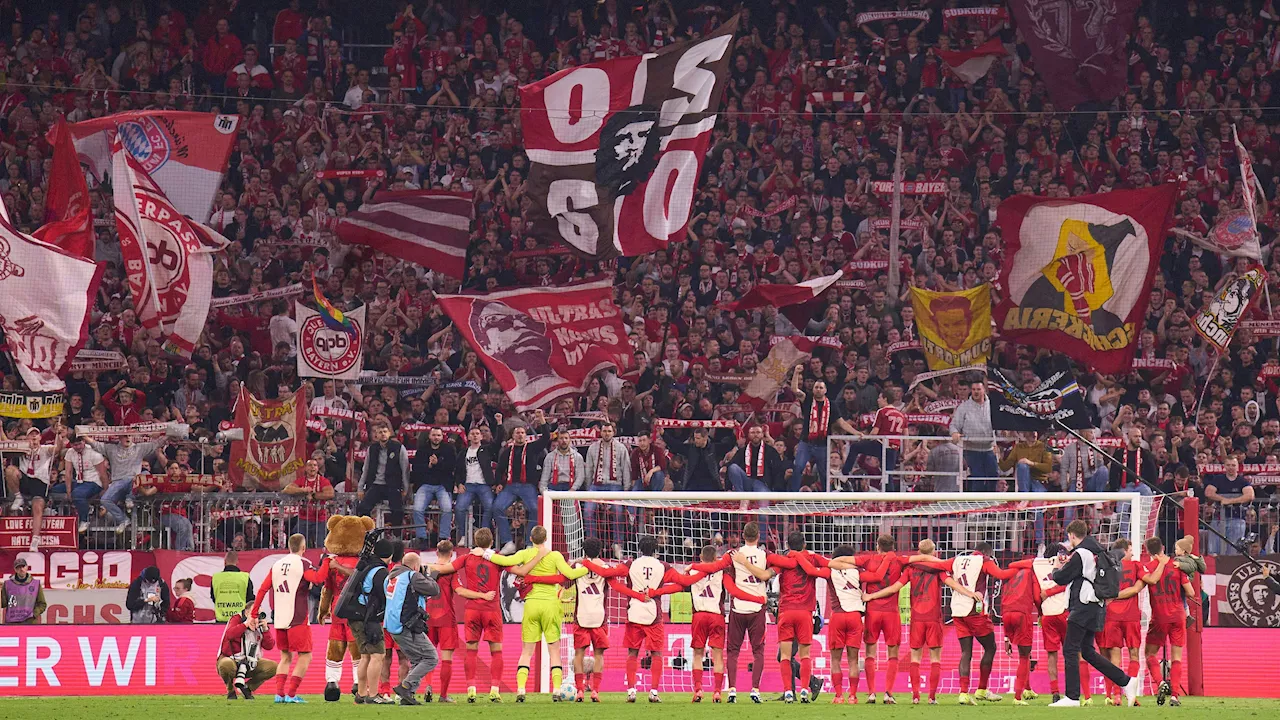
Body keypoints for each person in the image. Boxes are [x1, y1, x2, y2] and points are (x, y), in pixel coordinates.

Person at [851, 539, 968, 705]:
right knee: (934, 659)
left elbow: (894, 588)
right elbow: (953, 584)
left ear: (918, 552)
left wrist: (871, 596)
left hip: (911, 618)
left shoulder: (909, 568)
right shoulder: (938, 569)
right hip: (931, 618)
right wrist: (969, 593)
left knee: (910, 658)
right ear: (934, 552)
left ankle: (912, 696)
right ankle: (930, 697)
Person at [484, 525, 590, 701]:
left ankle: (520, 690)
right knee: (554, 650)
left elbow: (505, 562)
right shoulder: (555, 555)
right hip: (550, 605)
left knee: (526, 651)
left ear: (531, 539)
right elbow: (570, 574)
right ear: (546, 538)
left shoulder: (526, 554)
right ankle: (556, 691)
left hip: (532, 605)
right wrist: (587, 568)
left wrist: (487, 554)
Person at [911, 542, 1017, 704]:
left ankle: (963, 693)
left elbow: (934, 567)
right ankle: (981, 689)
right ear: (986, 553)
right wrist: (1022, 568)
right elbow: (1002, 575)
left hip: (958, 612)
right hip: (974, 611)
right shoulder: (985, 561)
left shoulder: (957, 560)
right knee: (990, 647)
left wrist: (910, 560)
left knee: (966, 652)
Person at [1049, 520, 1140, 707]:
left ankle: (1072, 697)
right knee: (1088, 651)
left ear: (1072, 535)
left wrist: (1057, 566)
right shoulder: (1097, 550)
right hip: (1096, 605)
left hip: (1083, 605)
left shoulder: (1081, 553)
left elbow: (1061, 578)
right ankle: (1127, 681)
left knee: (1070, 649)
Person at [432, 527, 508, 702]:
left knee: (471, 651)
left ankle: (471, 689)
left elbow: (444, 569)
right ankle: (495, 690)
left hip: (472, 610)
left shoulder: (466, 558)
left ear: (475, 541)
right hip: (491, 609)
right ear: (491, 542)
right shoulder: (498, 559)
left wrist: (416, 565)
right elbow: (517, 569)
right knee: (496, 652)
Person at [250, 533, 324, 703]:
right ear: (303, 548)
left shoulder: (277, 565)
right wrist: (326, 563)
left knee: (285, 657)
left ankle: (279, 694)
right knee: (305, 656)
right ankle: (291, 694)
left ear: (289, 546)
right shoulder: (303, 563)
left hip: (280, 618)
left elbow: (262, 589)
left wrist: (254, 613)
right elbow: (318, 579)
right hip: (297, 618)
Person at [1140, 536, 1198, 707]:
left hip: (1159, 617)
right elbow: (1191, 592)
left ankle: (1160, 683)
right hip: (1178, 616)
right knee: (1176, 657)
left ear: (1148, 551)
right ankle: (1174, 696)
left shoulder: (1148, 568)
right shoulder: (1177, 566)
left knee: (1150, 654)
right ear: (1163, 547)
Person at [383, 552, 442, 705]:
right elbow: (434, 590)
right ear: (416, 566)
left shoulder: (390, 577)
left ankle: (407, 696)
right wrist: (428, 576)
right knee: (431, 657)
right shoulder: (412, 576)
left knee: (417, 659)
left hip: (391, 625)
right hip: (407, 625)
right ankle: (405, 686)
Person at [1097, 539, 1148, 706]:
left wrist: (1112, 596)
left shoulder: (1106, 566)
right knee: (1134, 654)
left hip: (1111, 615)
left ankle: (1116, 695)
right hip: (1131, 616)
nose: (1132, 553)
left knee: (1114, 657)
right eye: (1131, 549)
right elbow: (1136, 588)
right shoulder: (1136, 565)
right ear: (1124, 551)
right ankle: (1131, 695)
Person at [723, 521, 770, 704]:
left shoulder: (733, 554)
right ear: (758, 536)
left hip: (738, 608)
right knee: (758, 651)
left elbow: (718, 567)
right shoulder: (765, 555)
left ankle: (732, 690)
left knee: (733, 651)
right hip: (757, 610)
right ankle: (755, 690)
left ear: (743, 536)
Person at [493, 422, 550, 551]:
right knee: (496, 507)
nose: (520, 435)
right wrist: (499, 484)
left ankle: (530, 543)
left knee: (535, 509)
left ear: (526, 436)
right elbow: (499, 469)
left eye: (522, 433)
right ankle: (508, 542)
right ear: (513, 436)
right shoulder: (506, 451)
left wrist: (542, 421)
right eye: (517, 433)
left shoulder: (532, 448)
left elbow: (546, 437)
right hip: (510, 486)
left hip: (527, 486)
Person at [5, 427, 63, 552]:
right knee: (10, 470)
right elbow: (5, 444)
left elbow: (58, 448)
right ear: (27, 438)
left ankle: (35, 541)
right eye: (31, 435)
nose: (34, 437)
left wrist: (58, 435)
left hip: (40, 482)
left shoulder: (45, 450)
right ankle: (18, 496)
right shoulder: (21, 449)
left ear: (40, 437)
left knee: (37, 508)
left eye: (36, 435)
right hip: (25, 479)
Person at [423, 540, 461, 703]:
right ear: (451, 554)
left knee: (427, 657)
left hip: (428, 617)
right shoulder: (451, 571)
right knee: (447, 658)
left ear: (437, 553)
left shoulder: (426, 569)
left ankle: (428, 686)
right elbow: (459, 590)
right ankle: (443, 695)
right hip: (446, 618)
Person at [584, 421, 631, 550]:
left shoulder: (621, 448)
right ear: (600, 432)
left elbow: (626, 469)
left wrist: (626, 491)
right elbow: (588, 469)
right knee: (588, 511)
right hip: (596, 486)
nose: (606, 433)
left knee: (618, 510)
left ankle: (618, 544)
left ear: (613, 432)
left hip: (615, 485)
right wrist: (589, 489)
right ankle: (591, 544)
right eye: (604, 431)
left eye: (609, 431)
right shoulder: (592, 448)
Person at [218, 603, 279, 700]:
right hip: (232, 660)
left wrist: (265, 629)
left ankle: (247, 688)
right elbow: (229, 634)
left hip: (250, 662)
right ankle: (230, 690)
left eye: (259, 614)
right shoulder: (236, 619)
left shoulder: (258, 625)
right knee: (226, 664)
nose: (257, 618)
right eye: (254, 614)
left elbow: (269, 646)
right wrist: (246, 624)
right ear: (246, 613)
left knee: (274, 667)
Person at [357, 423, 410, 527]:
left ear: (389, 433)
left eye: (385, 431)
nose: (383, 434)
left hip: (393, 485)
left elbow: (405, 469)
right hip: (376, 484)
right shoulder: (372, 449)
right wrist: (360, 487)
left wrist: (405, 488)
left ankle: (396, 536)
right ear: (376, 435)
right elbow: (366, 468)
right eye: (380, 432)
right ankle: (368, 532)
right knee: (362, 508)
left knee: (397, 510)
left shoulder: (398, 447)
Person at [56, 432, 110, 533]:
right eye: (74, 445)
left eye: (79, 444)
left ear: (84, 441)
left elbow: (103, 474)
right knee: (55, 490)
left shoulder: (94, 453)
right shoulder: (70, 452)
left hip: (93, 482)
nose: (77, 447)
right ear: (71, 444)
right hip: (79, 481)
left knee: (77, 494)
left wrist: (106, 490)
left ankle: (84, 519)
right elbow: (68, 472)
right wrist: (68, 490)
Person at [411, 427, 457, 546]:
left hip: (443, 485)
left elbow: (451, 467)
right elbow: (416, 468)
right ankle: (422, 538)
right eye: (434, 435)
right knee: (417, 509)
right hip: (425, 485)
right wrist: (429, 466)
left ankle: (443, 538)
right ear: (429, 436)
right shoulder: (422, 450)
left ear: (442, 437)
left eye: (438, 435)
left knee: (447, 509)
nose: (436, 437)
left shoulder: (448, 449)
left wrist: (438, 464)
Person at [454, 426, 499, 545]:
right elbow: (458, 470)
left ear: (481, 436)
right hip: (468, 485)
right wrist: (459, 484)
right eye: (472, 433)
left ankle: (483, 536)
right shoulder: (463, 452)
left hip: (484, 485)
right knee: (459, 508)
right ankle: (464, 535)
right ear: (468, 437)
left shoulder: (486, 449)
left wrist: (499, 424)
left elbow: (498, 441)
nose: (474, 435)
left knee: (490, 507)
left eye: (477, 433)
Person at [949, 379, 997, 490]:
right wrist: (955, 433)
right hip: (971, 449)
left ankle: (991, 504)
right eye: (974, 389)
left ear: (984, 389)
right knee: (978, 477)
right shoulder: (963, 407)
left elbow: (999, 424)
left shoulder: (993, 406)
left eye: (978, 389)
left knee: (993, 476)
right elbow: (954, 425)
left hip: (989, 448)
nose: (976, 392)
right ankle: (977, 505)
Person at [791, 365, 833, 490]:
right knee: (798, 467)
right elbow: (795, 389)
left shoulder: (832, 405)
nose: (818, 389)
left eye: (821, 387)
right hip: (806, 442)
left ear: (825, 390)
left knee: (823, 472)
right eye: (816, 387)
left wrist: (856, 432)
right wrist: (796, 373)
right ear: (813, 389)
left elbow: (840, 422)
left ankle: (827, 498)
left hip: (822, 444)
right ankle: (791, 496)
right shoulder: (808, 399)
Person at [1203, 456, 1255, 555]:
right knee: (1213, 550)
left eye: (1233, 465)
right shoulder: (1218, 479)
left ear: (1237, 467)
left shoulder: (1242, 481)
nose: (1231, 467)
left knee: (1234, 551)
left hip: (1237, 519)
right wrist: (1223, 499)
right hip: (1218, 519)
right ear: (1224, 466)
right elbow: (1208, 492)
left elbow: (1250, 495)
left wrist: (1230, 501)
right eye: (1228, 465)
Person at [283, 458, 335, 547]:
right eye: (310, 465)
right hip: (303, 518)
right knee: (299, 544)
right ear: (306, 468)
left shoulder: (323, 480)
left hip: (320, 518)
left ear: (318, 468)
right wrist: (303, 490)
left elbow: (330, 493)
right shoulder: (301, 480)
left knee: (321, 545)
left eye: (315, 465)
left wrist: (314, 496)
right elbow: (287, 489)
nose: (312, 467)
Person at [725, 424, 784, 492]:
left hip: (762, 483)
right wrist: (728, 488)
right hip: (746, 481)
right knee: (733, 467)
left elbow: (778, 471)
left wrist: (776, 490)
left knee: (763, 498)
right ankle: (741, 497)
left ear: (762, 434)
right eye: (753, 432)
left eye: (758, 432)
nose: (755, 435)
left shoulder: (771, 451)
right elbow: (731, 466)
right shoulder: (742, 451)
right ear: (749, 435)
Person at [211, 551, 256, 623]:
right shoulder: (244, 577)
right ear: (237, 562)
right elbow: (250, 599)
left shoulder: (216, 578)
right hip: (240, 618)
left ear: (224, 562)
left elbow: (214, 597)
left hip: (221, 618)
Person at [2, 557, 46, 624]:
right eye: (18, 567)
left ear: (27, 567)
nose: (21, 569)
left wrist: (33, 614)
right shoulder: (7, 584)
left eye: (23, 566)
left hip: (29, 622)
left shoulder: (36, 584)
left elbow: (42, 604)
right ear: (15, 569)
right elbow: (3, 604)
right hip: (12, 623)